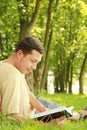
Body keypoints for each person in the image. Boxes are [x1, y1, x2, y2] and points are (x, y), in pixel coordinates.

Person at [0, 36, 66, 124]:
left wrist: (42, 109)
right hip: (32, 114)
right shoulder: (12, 76)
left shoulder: (8, 66)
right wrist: (45, 126)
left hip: (35, 106)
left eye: (37, 63)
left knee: (62, 111)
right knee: (63, 114)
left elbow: (26, 92)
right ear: (20, 54)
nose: (34, 67)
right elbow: (11, 116)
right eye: (33, 61)